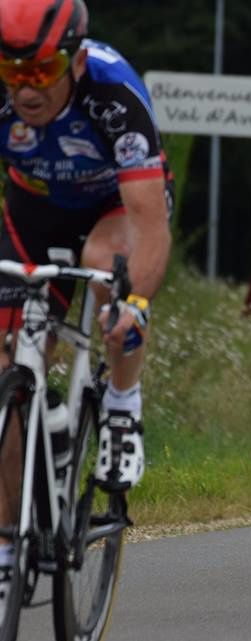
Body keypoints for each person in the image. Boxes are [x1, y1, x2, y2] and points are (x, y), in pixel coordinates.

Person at [0, 0, 172, 582]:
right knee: (6, 369)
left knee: (107, 269)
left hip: (116, 206)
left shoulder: (112, 93)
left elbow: (151, 226)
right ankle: (9, 540)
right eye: (13, 72)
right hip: (34, 209)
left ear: (73, 63)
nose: (25, 90)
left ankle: (122, 406)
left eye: (40, 73)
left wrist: (137, 305)